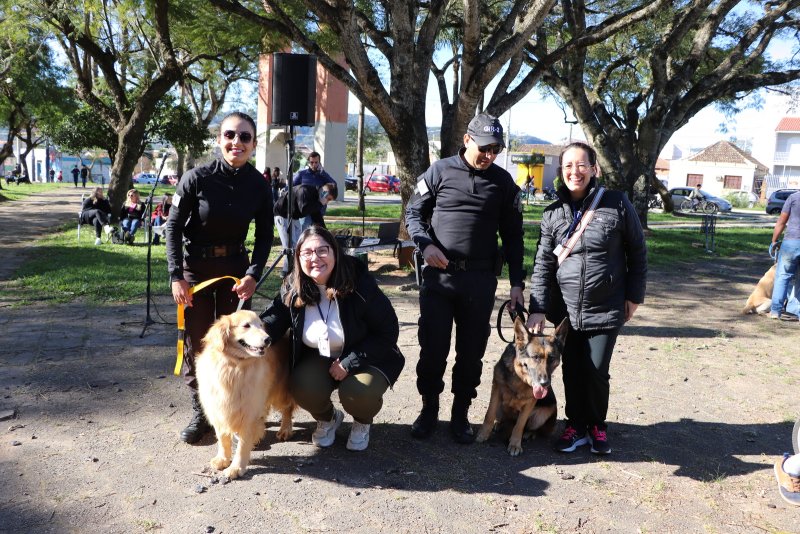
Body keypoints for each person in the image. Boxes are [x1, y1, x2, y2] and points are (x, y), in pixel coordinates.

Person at [405, 112, 525, 444]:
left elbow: (514, 238)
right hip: (439, 280)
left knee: (471, 353)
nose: (489, 155)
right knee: (433, 350)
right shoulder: (438, 171)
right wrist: (425, 244)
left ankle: (460, 415)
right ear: (467, 140)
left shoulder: (503, 184)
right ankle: (429, 410)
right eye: (484, 147)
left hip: (479, 280)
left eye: (496, 150)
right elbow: (413, 212)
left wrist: (517, 284)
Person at [526, 141, 647, 455]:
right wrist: (537, 308)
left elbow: (637, 251)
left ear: (594, 169)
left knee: (595, 371)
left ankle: (597, 426)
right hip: (564, 310)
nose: (574, 171)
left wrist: (634, 296)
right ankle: (575, 426)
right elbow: (543, 264)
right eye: (568, 166)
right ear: (560, 171)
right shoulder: (552, 214)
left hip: (606, 306)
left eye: (581, 165)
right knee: (570, 369)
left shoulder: (616, 202)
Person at [166, 111, 273, 444]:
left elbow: (266, 234)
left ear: (254, 144)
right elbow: (172, 227)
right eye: (230, 135)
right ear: (219, 139)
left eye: (244, 137)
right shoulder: (196, 178)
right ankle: (203, 414)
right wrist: (175, 276)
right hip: (195, 272)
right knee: (200, 346)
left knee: (240, 348)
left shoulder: (259, 184)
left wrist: (254, 273)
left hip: (236, 274)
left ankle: (242, 414)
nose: (236, 142)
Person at [260, 226, 405, 451]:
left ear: (335, 252)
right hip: (322, 355)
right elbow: (273, 320)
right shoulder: (293, 285)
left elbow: (387, 332)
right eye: (306, 253)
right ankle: (328, 418)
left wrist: (349, 362)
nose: (314, 258)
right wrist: (245, 331)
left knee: (358, 392)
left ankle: (362, 422)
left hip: (368, 356)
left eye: (322, 250)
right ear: (298, 258)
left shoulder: (359, 284)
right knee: (301, 386)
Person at [274, 183, 336, 277]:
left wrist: (326, 233)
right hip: (282, 215)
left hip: (294, 217)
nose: (327, 202)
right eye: (328, 199)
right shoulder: (305, 190)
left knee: (299, 244)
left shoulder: (315, 197)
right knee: (289, 245)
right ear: (324, 193)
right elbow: (304, 209)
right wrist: (320, 203)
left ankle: (296, 269)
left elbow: (317, 217)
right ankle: (287, 272)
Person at [769, 189, 800, 321]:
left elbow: (781, 221)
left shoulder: (793, 198)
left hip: (791, 243)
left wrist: (774, 241)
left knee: (783, 276)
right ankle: (796, 310)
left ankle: (776, 311)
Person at [292, 152, 337, 230]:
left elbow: (334, 185)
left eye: (316, 162)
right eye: (311, 162)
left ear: (319, 163)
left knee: (318, 232)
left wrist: (323, 173)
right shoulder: (301, 174)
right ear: (308, 162)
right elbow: (291, 188)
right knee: (304, 231)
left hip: (319, 209)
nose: (314, 165)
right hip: (306, 209)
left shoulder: (323, 175)